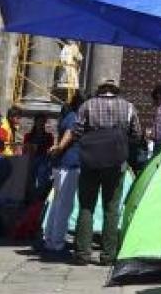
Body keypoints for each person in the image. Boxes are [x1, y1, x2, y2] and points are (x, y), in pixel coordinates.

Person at [51, 78, 142, 266]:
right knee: (111, 207)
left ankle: (83, 253)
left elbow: (76, 132)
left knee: (86, 206)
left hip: (90, 162)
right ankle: (108, 255)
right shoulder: (128, 107)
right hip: (116, 164)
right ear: (116, 89)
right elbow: (136, 134)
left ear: (100, 88)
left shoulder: (87, 106)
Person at [43, 91, 84, 256]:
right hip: (70, 164)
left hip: (62, 165)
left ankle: (50, 239)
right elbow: (69, 134)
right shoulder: (74, 117)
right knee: (65, 205)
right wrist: (59, 148)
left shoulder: (66, 116)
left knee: (56, 203)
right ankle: (58, 243)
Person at [23, 114, 55, 199]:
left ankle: (40, 198)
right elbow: (24, 150)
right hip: (31, 160)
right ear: (35, 122)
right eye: (39, 121)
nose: (40, 123)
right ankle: (28, 198)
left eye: (42, 122)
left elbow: (50, 150)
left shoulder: (49, 136)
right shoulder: (28, 136)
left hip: (43, 160)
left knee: (42, 179)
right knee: (29, 180)